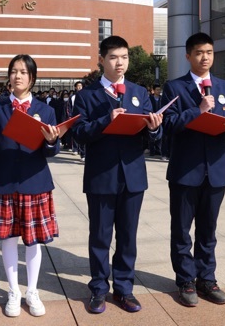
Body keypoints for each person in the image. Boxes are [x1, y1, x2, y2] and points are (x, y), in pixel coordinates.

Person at [71, 36, 162, 314]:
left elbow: (150, 137)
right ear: (101, 60)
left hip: (133, 175)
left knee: (127, 235)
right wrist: (105, 121)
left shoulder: (139, 92)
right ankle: (99, 288)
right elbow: (78, 134)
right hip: (101, 175)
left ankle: (124, 288)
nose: (119, 62)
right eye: (113, 57)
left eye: (124, 57)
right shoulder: (86, 96)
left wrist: (155, 128)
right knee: (100, 235)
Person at [161, 32, 225, 307]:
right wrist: (197, 111)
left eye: (209, 52)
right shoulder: (174, 88)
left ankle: (207, 279)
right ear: (188, 56)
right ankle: (185, 280)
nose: (205, 57)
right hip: (185, 171)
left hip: (216, 171)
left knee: (208, 230)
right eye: (199, 52)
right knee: (182, 230)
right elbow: (168, 125)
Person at [0, 54, 60, 318]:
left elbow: (52, 151)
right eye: (14, 71)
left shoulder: (46, 110)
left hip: (34, 182)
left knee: (34, 241)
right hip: (4, 183)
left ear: (32, 78)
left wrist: (50, 141)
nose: (17, 76)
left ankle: (32, 291)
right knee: (8, 240)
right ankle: (13, 291)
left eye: (23, 72)